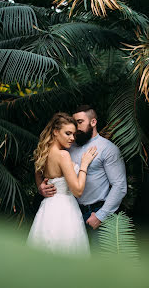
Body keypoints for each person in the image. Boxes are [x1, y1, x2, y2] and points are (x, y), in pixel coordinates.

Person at [37, 105, 127, 250]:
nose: (75, 129)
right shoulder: (67, 146)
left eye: (79, 122)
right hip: (68, 213)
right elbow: (41, 166)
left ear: (93, 122)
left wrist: (100, 216)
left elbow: (120, 186)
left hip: (96, 213)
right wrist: (41, 186)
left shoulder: (108, 149)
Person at [27, 112, 98, 256]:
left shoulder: (44, 152)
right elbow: (77, 191)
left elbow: (37, 173)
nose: (72, 138)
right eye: (68, 133)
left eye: (74, 134)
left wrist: (40, 186)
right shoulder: (63, 155)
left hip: (47, 209)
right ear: (55, 132)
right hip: (65, 210)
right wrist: (84, 165)